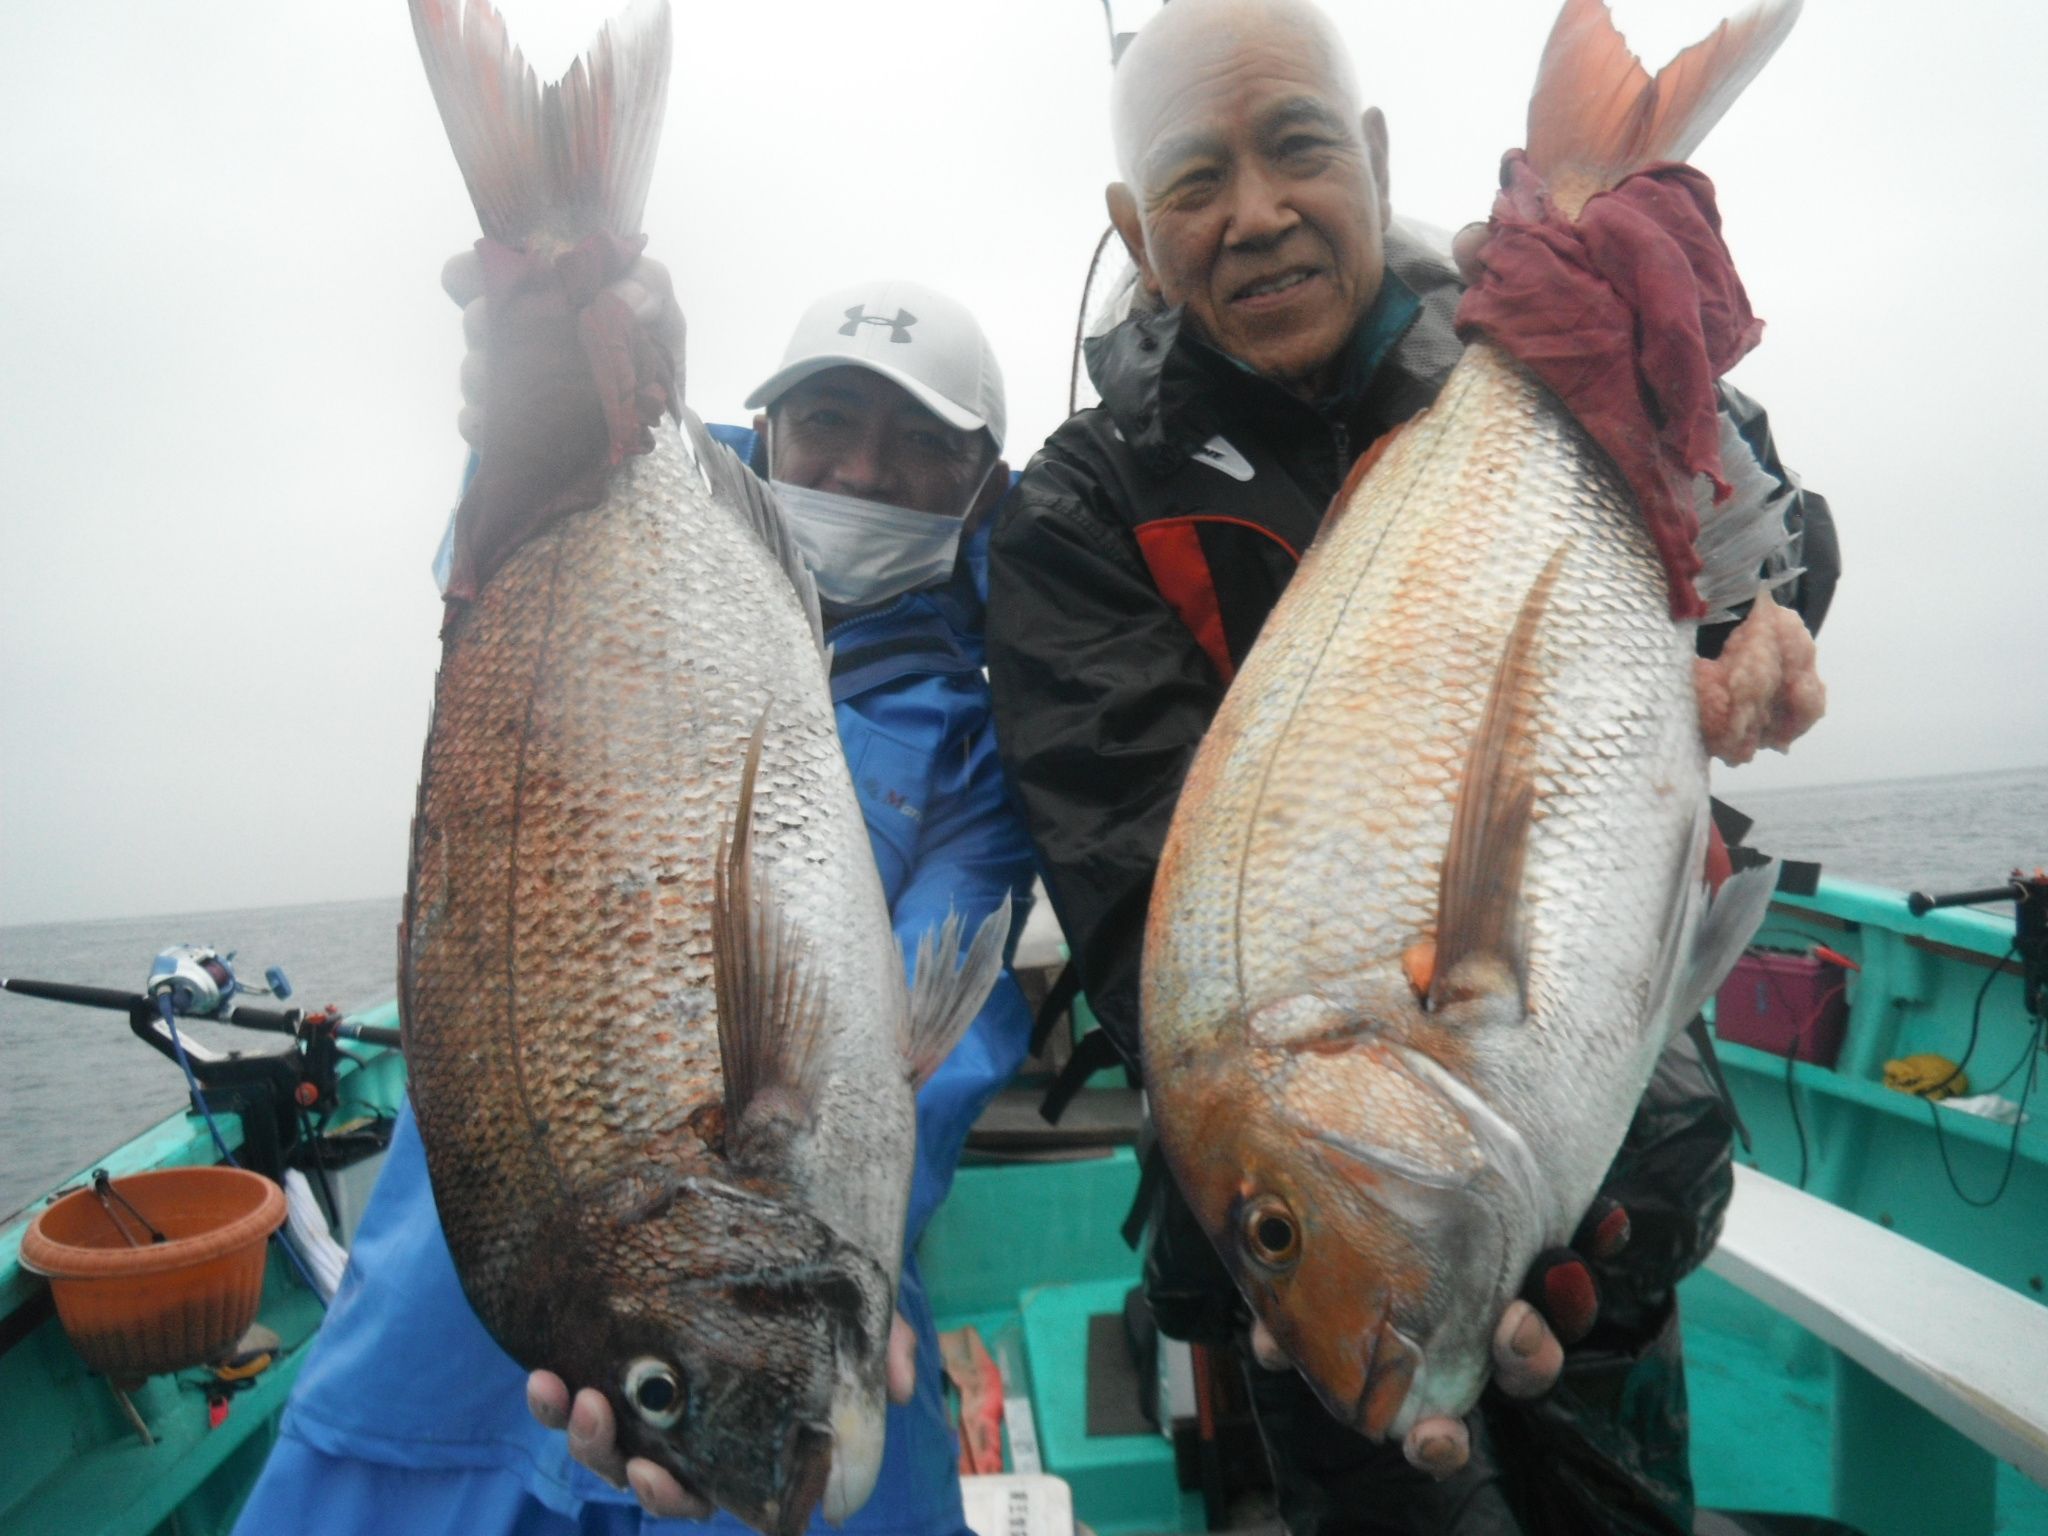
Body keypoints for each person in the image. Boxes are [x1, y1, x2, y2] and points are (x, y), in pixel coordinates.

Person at [982, 3, 1839, 1534]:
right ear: (1132, 223)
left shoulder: (1536, 352)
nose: (1256, 213)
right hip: (1344, 1256)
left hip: (1623, 1203)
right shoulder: (1083, 507)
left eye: (1297, 146)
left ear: (1374, 158)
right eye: (1193, 181)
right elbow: (1139, 892)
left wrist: (1762, 617)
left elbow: (1772, 541)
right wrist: (1328, 1222)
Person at [230, 277, 1038, 1536]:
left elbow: (943, 1032)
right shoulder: (621, 531)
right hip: (450, 1318)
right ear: (764, 431)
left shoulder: (983, 748)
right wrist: (548, 384)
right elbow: (497, 561)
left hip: (766, 1295)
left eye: (924, 443)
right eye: (828, 420)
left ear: (982, 488)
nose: (863, 471)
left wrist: (836, 1238)